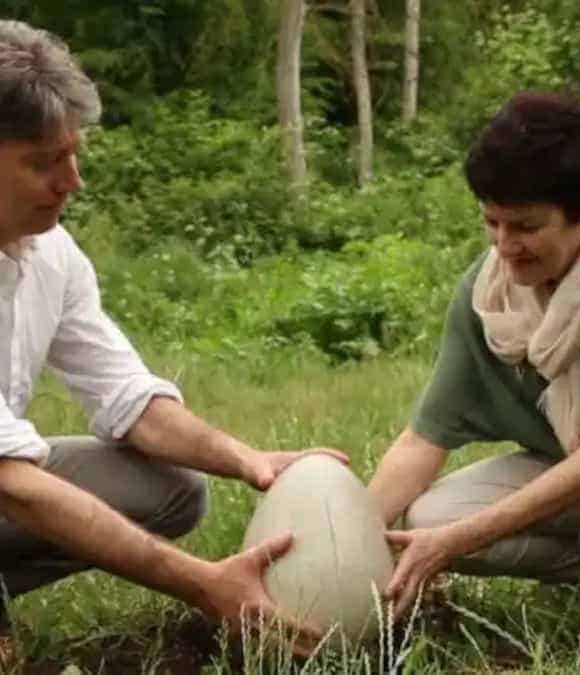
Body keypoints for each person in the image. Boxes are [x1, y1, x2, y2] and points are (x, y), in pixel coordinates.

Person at [0, 19, 338, 655]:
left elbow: (126, 395)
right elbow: (10, 482)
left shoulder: (51, 254)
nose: (72, 181)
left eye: (75, 154)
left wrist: (247, 459)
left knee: (174, 488)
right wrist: (205, 584)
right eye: (44, 162)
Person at [367, 91, 580, 614]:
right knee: (424, 521)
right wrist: (349, 544)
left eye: (526, 227)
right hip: (557, 470)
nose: (504, 246)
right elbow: (421, 442)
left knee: (449, 532)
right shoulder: (487, 294)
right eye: (493, 222)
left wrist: (458, 541)